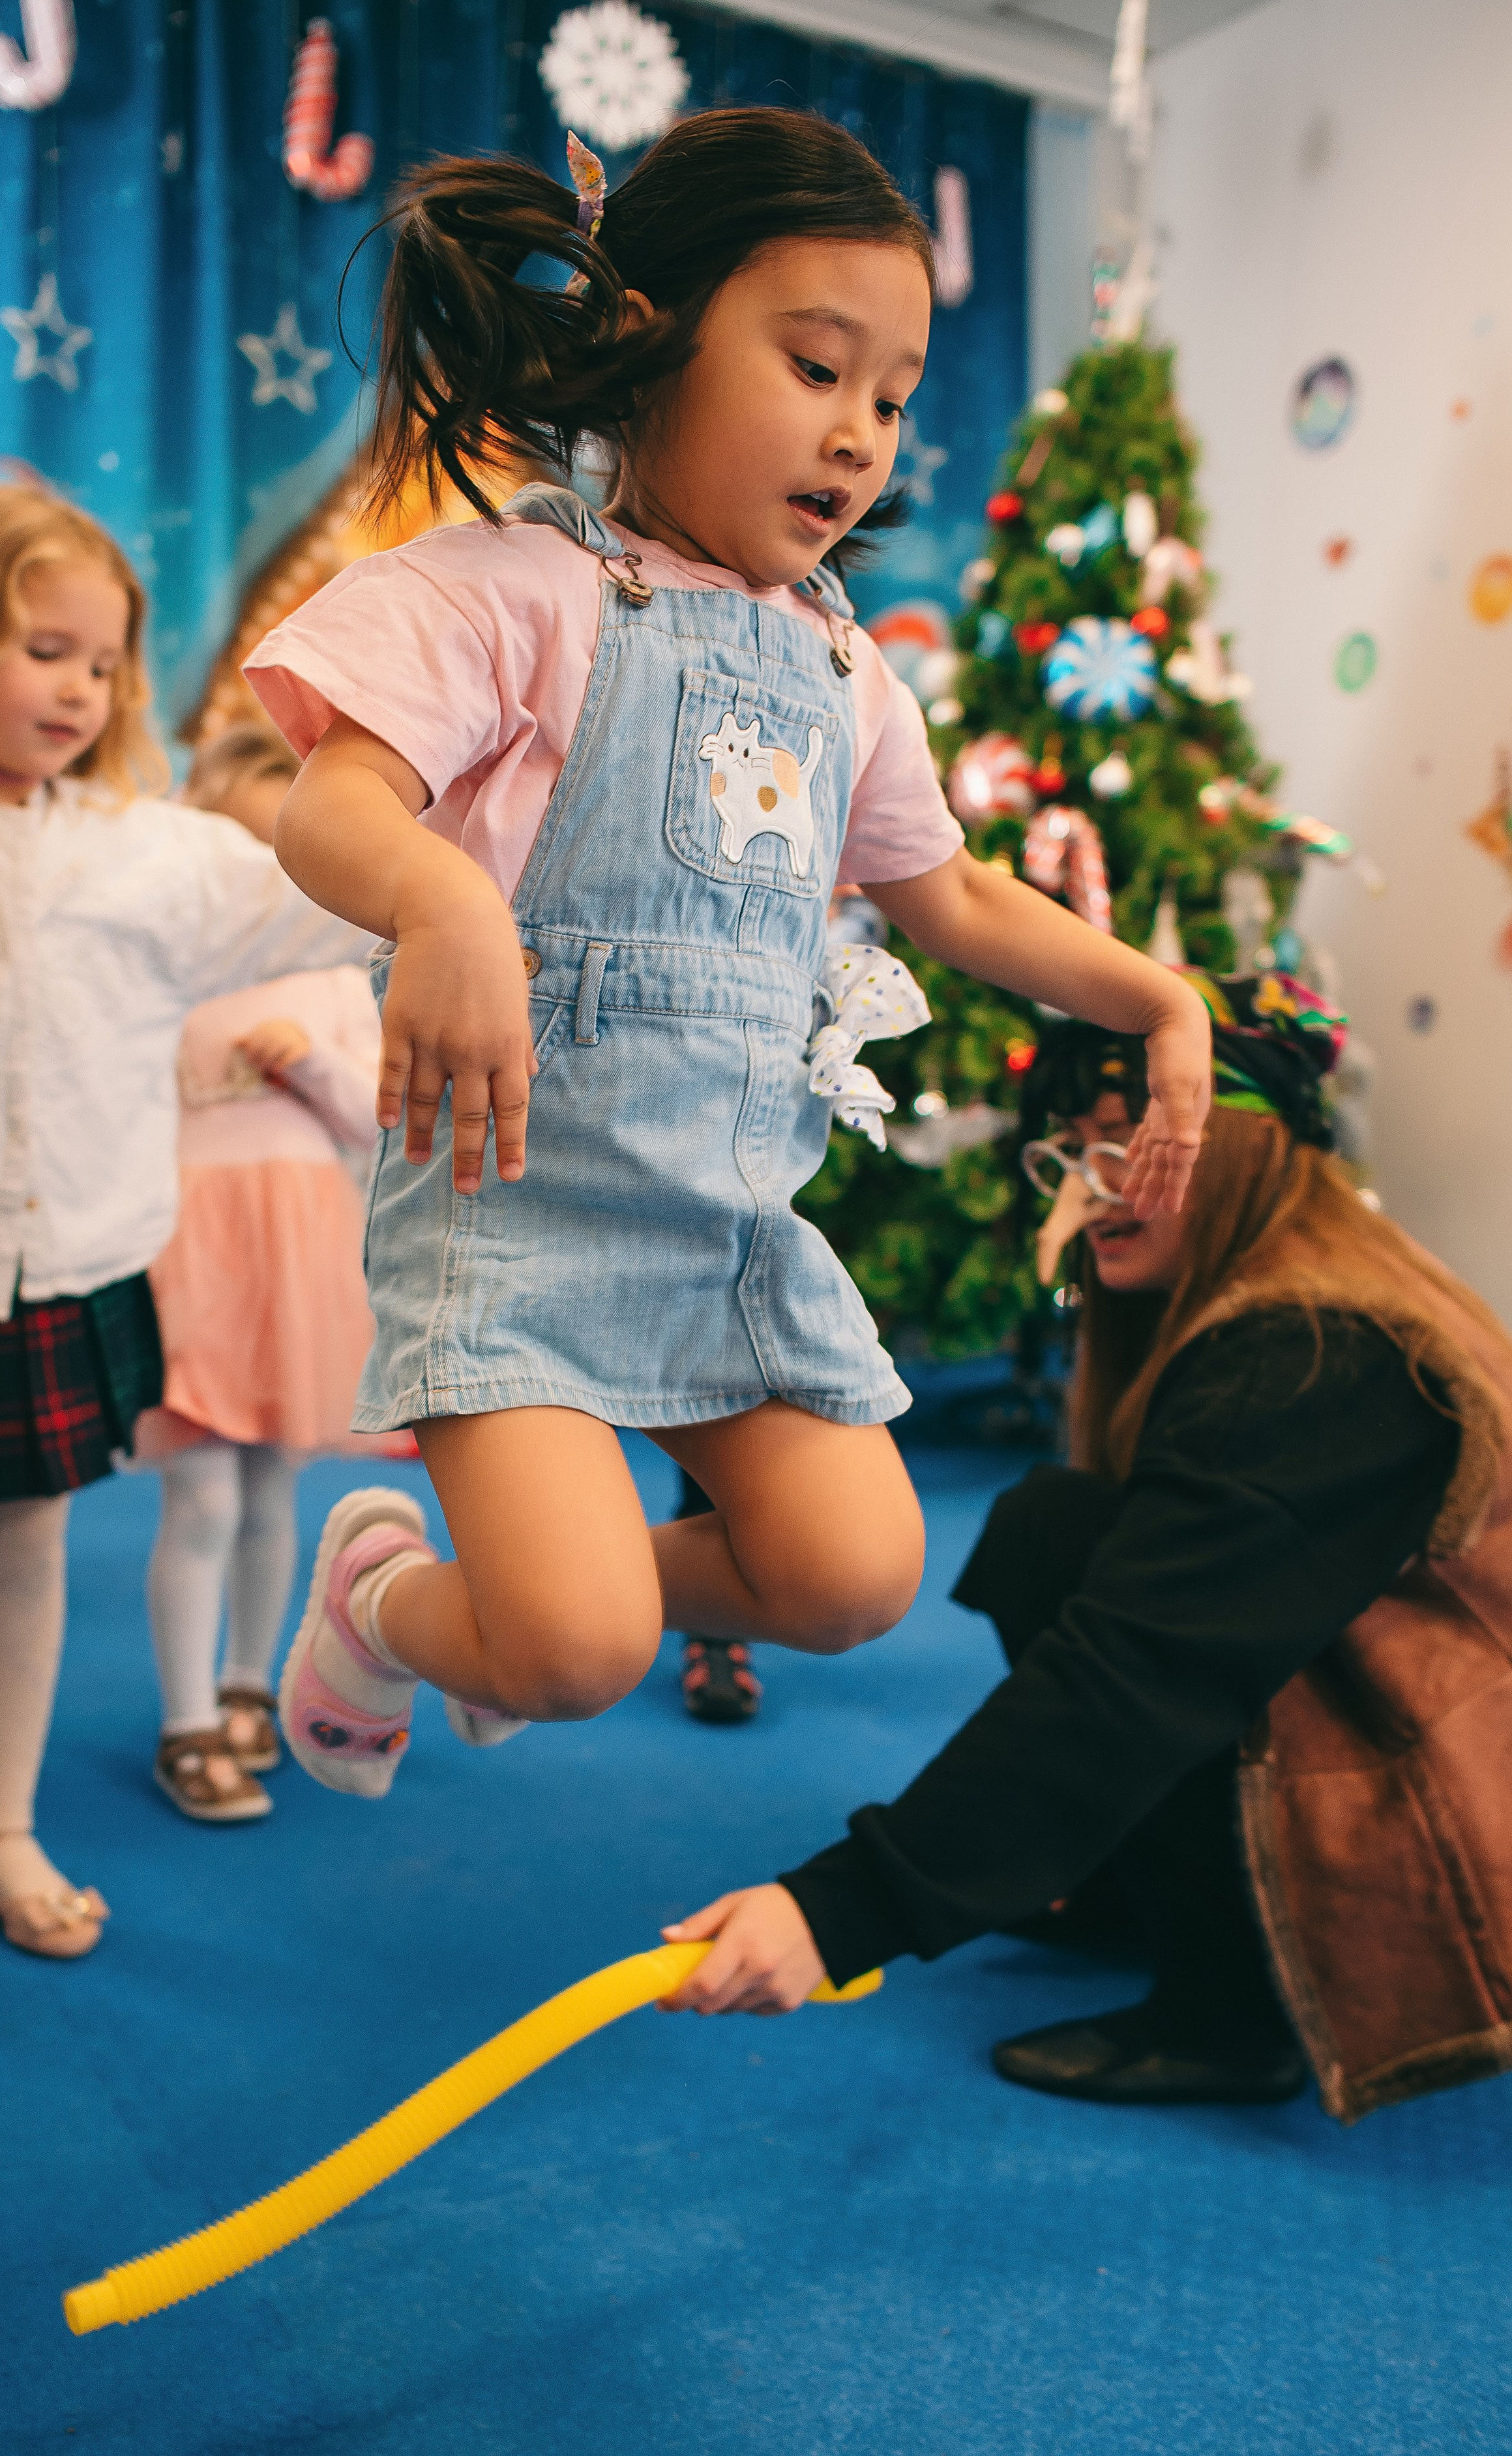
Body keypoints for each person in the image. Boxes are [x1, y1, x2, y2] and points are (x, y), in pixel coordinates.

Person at [245, 107, 1211, 1798]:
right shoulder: (513, 589)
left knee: (850, 1575)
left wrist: (1160, 994)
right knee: (577, 1649)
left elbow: (961, 899)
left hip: (726, 1229)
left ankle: (510, 1602)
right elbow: (330, 807)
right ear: (649, 337)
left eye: (893, 399)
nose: (860, 437)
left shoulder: (847, 676)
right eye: (817, 366)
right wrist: (449, 902)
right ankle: (394, 1604)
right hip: (514, 1210)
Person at [658, 973, 1512, 2125]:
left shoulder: (1316, 1347)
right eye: (1068, 1155)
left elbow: (1132, 1679)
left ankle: (1234, 2014)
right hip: (1409, 1731)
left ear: (1242, 1146)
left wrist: (839, 1911)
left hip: (1472, 1826)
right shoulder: (1290, 1302)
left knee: (1112, 1598)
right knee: (1053, 1532)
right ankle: (1130, 1893)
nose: (1088, 1192)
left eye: (1128, 1148)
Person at [0, 486, 366, 1974]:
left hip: (70, 1269)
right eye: (43, 650)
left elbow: (325, 900)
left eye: (102, 661)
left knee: (27, 1552)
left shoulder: (152, 853)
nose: (79, 689)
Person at [134, 722, 395, 1824]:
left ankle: (253, 1684)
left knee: (269, 1489)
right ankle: (187, 1719)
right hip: (192, 1251)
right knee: (197, 1491)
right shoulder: (170, 983)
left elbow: (376, 1126)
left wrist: (317, 1064)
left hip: (296, 1258)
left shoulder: (339, 982)